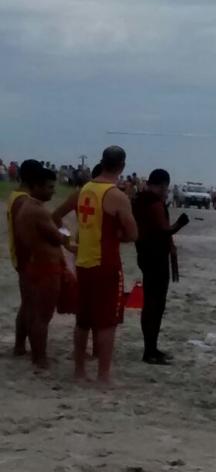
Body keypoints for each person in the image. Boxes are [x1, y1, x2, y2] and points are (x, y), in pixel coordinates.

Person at [73, 146, 138, 385]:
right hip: (105, 262)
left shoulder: (85, 189)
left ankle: (79, 371)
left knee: (83, 319)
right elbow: (133, 234)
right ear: (122, 166)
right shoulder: (116, 195)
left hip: (83, 260)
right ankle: (103, 375)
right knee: (107, 321)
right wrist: (118, 234)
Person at [15, 166, 73, 369]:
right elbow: (57, 237)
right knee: (43, 315)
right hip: (46, 266)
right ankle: (39, 358)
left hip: (35, 263)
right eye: (49, 187)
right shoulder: (37, 211)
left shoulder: (25, 207)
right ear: (36, 186)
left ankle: (34, 353)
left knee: (34, 311)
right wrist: (66, 234)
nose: (53, 191)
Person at [133, 169, 190, 365]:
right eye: (165, 187)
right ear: (163, 185)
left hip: (144, 254)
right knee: (155, 305)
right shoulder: (154, 203)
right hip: (155, 257)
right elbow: (163, 230)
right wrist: (180, 223)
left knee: (150, 303)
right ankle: (150, 350)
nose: (166, 192)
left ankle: (151, 348)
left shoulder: (139, 199)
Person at [6, 160, 43, 356]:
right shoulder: (23, 201)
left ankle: (20, 345)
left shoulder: (15, 196)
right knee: (31, 305)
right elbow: (23, 233)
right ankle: (31, 349)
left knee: (27, 303)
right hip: (26, 258)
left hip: (20, 257)